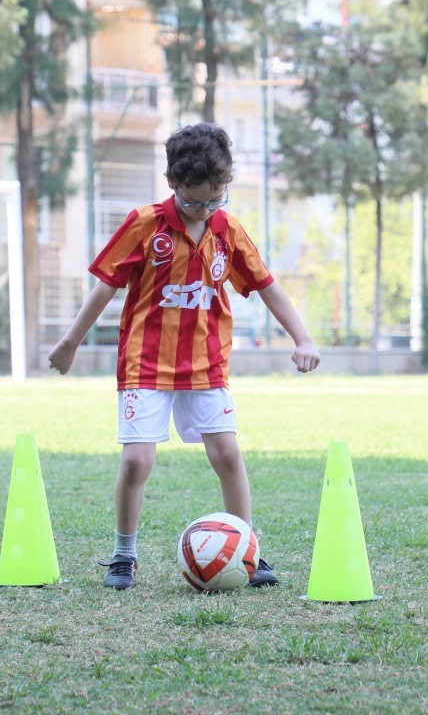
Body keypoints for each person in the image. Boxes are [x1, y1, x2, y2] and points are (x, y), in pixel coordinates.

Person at [48, 123, 321, 590]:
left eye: (217, 199)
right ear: (172, 182)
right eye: (196, 202)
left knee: (229, 455)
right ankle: (123, 555)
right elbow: (106, 286)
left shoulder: (227, 229)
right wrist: (71, 342)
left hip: (206, 365)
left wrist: (304, 338)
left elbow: (266, 286)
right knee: (137, 462)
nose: (207, 210)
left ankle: (247, 551)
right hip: (145, 364)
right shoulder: (144, 224)